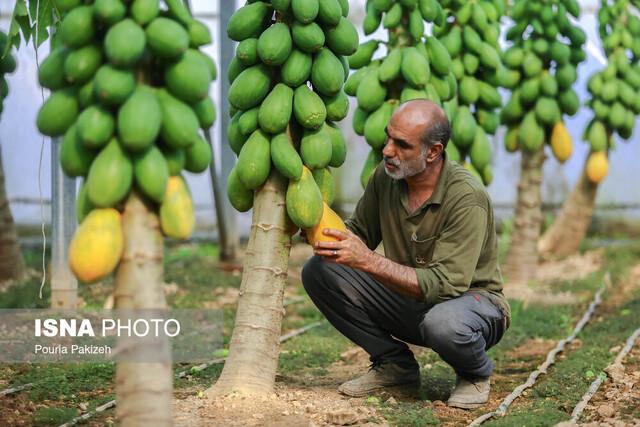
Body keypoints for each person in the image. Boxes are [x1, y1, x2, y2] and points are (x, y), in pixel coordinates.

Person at [301, 99, 510, 409]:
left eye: (401, 145)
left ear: (433, 151)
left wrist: (369, 261)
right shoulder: (386, 179)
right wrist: (306, 214)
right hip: (411, 299)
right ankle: (394, 365)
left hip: (470, 306)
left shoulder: (467, 198)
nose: (387, 150)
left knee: (443, 322)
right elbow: (357, 234)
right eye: (388, 138)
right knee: (320, 270)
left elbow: (446, 285)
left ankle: (474, 374)